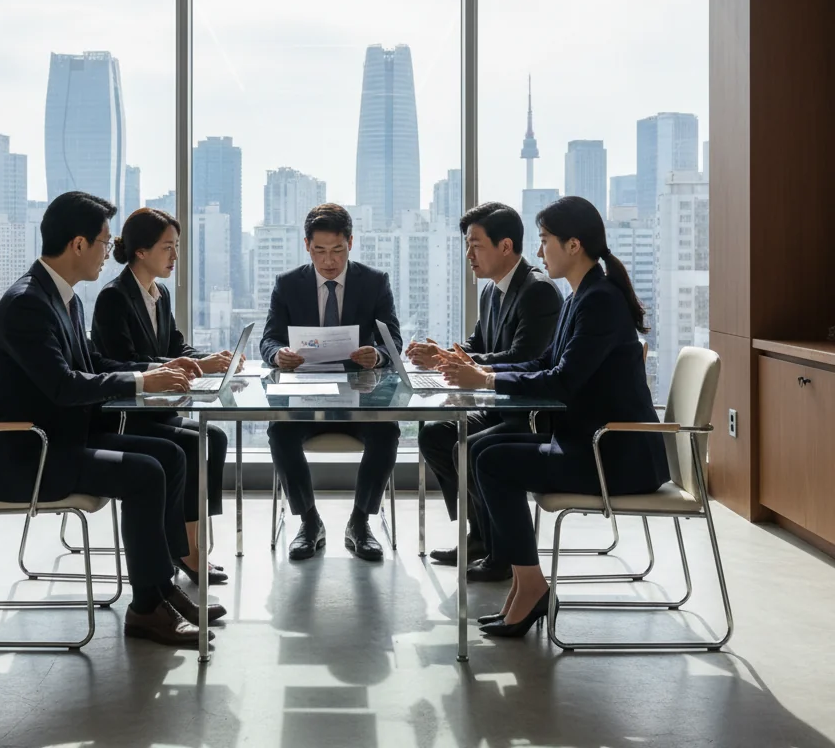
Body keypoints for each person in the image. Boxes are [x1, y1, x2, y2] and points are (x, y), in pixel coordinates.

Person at [0, 191, 227, 647]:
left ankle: (160, 589)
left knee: (169, 454)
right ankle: (146, 610)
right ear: (78, 244)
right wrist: (144, 383)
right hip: (26, 458)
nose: (111, 252)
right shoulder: (28, 303)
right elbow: (65, 385)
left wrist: (149, 371)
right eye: (105, 242)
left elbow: (94, 366)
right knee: (146, 471)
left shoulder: (64, 298)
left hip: (58, 442)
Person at [436, 196, 669, 639]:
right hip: (590, 443)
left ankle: (530, 586)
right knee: (481, 446)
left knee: (490, 459)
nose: (539, 252)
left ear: (574, 244)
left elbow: (561, 382)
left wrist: (485, 383)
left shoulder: (599, 301)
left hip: (613, 457)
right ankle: (527, 582)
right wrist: (485, 371)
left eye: (544, 241)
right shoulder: (583, 295)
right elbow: (544, 362)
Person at [408, 203, 562, 576]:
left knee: (468, 446)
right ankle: (480, 533)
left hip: (529, 412)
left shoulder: (538, 291)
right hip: (498, 405)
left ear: (505, 246)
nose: (468, 255)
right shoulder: (492, 292)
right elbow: (478, 345)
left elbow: (524, 356)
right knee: (435, 435)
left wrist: (462, 364)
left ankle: (503, 550)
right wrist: (445, 357)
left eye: (475, 245)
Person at [91, 206, 234, 585]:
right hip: (128, 413)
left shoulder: (160, 293)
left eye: (177, 247)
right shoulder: (114, 298)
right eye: (168, 247)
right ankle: (185, 552)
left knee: (214, 437)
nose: (175, 256)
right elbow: (121, 362)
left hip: (157, 408)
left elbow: (175, 346)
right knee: (191, 446)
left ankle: (192, 541)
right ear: (141, 251)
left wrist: (208, 360)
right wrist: (171, 367)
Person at [259, 203, 403, 562]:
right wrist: (279, 355)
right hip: (305, 395)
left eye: (337, 250)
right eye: (320, 251)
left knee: (387, 431)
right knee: (279, 432)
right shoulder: (288, 285)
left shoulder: (374, 282)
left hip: (361, 396)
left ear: (350, 243)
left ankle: (360, 521)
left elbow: (393, 342)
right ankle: (309, 522)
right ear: (307, 246)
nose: (329, 261)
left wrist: (378, 355)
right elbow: (268, 340)